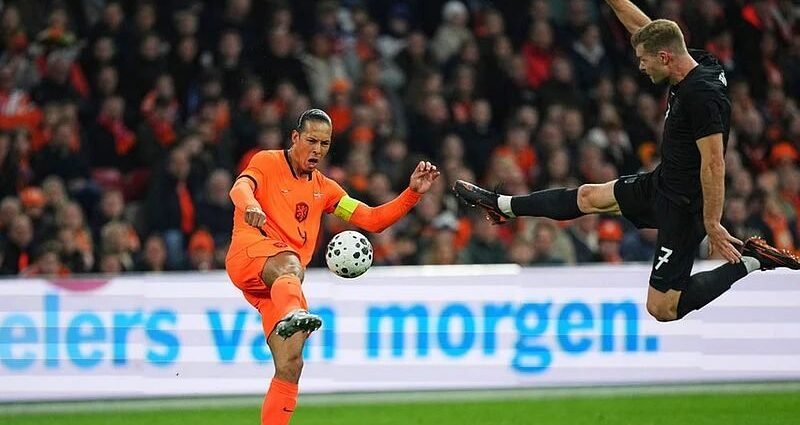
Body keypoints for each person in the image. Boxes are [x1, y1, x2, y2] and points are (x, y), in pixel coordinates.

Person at [453, 0, 799, 323]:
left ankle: (752, 260)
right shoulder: (695, 62)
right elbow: (644, 27)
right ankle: (502, 205)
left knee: (662, 308)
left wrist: (711, 222)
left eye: (644, 60)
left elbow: (714, 164)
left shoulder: (703, 97)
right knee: (589, 196)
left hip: (684, 207)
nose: (641, 66)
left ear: (664, 57)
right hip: (662, 183)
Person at [225, 109, 439, 425]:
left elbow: (372, 220)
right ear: (295, 137)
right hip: (250, 255)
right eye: (311, 141)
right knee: (291, 264)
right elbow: (239, 188)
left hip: (278, 288)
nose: (317, 150)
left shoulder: (325, 189)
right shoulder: (267, 161)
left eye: (324, 144)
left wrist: (412, 194)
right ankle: (292, 312)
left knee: (291, 364)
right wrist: (251, 205)